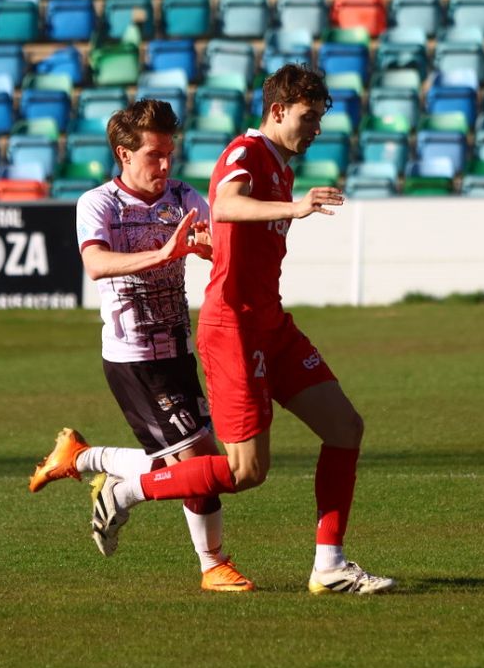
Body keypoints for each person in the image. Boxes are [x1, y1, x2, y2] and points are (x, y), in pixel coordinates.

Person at [83, 64, 395, 595]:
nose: (315, 127)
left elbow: (219, 224)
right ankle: (127, 491)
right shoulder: (245, 153)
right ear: (277, 111)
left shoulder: (279, 164)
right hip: (234, 328)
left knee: (346, 428)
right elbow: (226, 203)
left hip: (271, 322)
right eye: (308, 116)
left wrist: (209, 242)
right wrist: (295, 208)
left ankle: (330, 565)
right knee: (246, 471)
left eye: (319, 116)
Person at [27, 98, 255, 594]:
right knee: (200, 467)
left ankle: (82, 459)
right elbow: (97, 265)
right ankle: (211, 564)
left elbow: (227, 251)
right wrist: (166, 252)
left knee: (180, 466)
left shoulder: (185, 197)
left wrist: (209, 247)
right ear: (124, 154)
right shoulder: (98, 203)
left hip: (178, 350)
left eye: (170, 152)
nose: (166, 164)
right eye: (155, 154)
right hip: (134, 360)